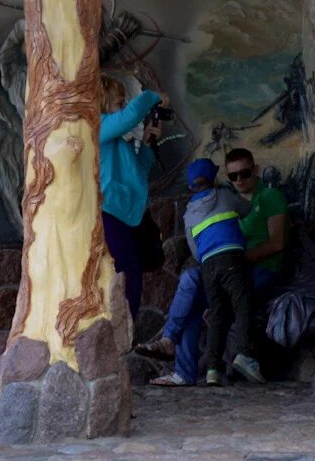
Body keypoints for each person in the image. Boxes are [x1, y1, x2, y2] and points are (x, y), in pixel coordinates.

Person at [141, 147, 288, 386]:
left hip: (255, 268)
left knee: (198, 294)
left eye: (245, 173)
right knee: (190, 286)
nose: (239, 179)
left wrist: (241, 258)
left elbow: (277, 242)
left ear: (256, 170)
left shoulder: (269, 197)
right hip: (230, 265)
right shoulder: (227, 198)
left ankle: (198, 361)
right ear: (222, 178)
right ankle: (182, 363)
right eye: (233, 176)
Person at [180, 157, 265, 385]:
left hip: (208, 265)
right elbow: (246, 209)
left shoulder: (188, 215)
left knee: (218, 314)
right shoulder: (225, 195)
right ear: (214, 179)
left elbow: (195, 251)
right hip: (232, 257)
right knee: (243, 303)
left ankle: (212, 370)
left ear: (191, 187)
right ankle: (245, 355)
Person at [98, 75, 164, 324]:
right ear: (102, 101)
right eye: (119, 102)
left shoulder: (116, 140)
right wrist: (155, 96)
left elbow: (139, 171)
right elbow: (130, 116)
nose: (123, 107)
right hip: (108, 210)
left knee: (131, 269)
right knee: (126, 268)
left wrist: (147, 142)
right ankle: (122, 326)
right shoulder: (97, 125)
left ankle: (126, 326)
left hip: (124, 213)